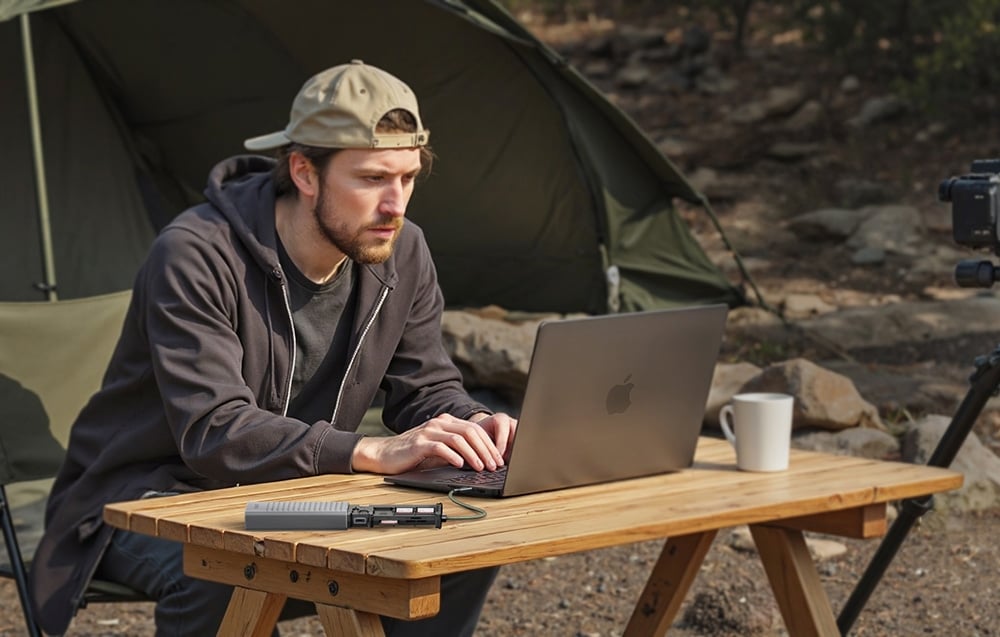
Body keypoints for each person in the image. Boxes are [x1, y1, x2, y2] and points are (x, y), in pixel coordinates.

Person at [29, 59, 517, 637]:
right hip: (149, 498)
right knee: (226, 567)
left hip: (294, 498)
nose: (396, 204)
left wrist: (472, 427)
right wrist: (371, 452)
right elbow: (214, 428)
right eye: (371, 179)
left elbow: (427, 388)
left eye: (408, 177)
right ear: (304, 172)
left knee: (458, 538)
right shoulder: (195, 254)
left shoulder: (401, 250)